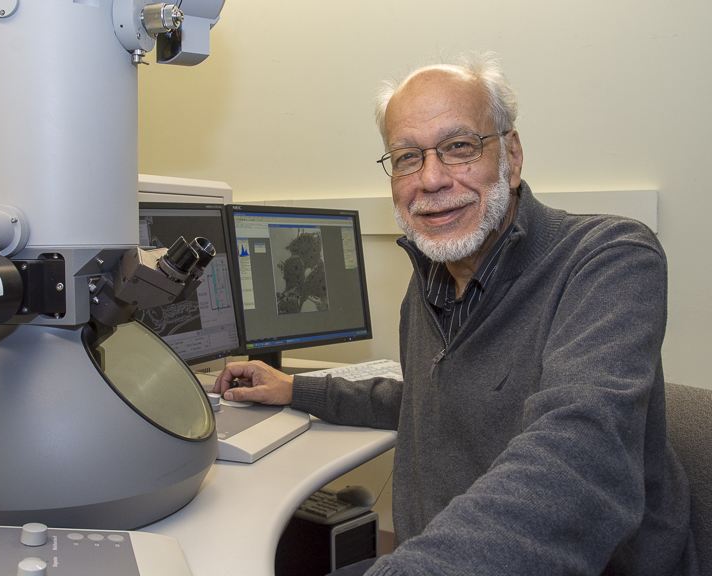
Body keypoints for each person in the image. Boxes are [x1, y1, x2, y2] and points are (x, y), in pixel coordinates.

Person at [214, 52, 698, 575]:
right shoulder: (430, 283)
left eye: (459, 147)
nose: (432, 179)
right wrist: (296, 390)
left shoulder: (609, 258)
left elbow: (580, 458)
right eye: (406, 157)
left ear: (511, 156)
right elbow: (430, 398)